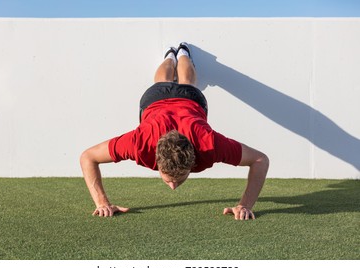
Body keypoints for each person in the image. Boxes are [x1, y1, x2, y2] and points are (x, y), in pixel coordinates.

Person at [80, 42, 269, 220]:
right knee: (165, 82)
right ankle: (171, 55)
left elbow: (261, 160)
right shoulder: (140, 143)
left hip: (189, 102)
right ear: (156, 158)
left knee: (186, 83)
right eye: (170, 179)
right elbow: (88, 157)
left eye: (179, 179)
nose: (172, 187)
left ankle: (182, 52)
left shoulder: (208, 144)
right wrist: (102, 203)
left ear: (194, 160)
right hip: (157, 100)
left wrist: (246, 205)